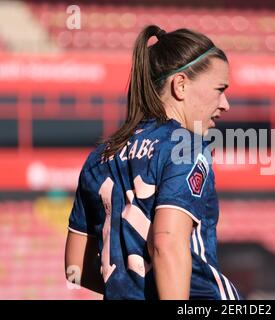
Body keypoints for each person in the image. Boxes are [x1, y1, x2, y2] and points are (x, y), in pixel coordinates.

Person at [64, 25, 241, 300]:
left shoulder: (98, 158)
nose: (225, 104)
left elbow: (75, 268)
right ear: (180, 85)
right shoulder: (186, 146)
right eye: (220, 89)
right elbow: (167, 242)